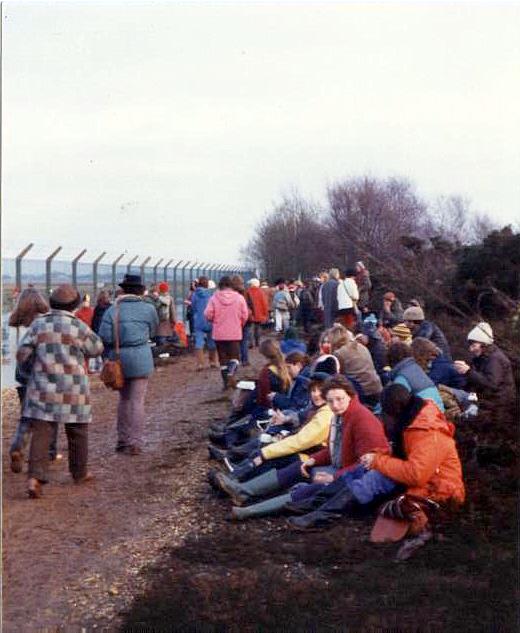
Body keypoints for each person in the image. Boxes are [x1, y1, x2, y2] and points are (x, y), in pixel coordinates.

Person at [214, 376, 389, 522]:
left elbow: (368, 463)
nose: (335, 404)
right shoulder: (340, 416)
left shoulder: (362, 420)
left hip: (356, 479)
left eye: (339, 399)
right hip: (341, 469)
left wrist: (334, 476)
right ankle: (243, 492)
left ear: (350, 396)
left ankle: (249, 511)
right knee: (300, 466)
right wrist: (315, 459)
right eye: (331, 401)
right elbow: (334, 448)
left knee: (312, 488)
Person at [16, 284, 104, 498]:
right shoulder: (78, 326)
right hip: (74, 389)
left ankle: (35, 478)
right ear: (74, 305)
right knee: (78, 432)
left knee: (42, 433)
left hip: (42, 388)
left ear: (51, 302)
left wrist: (31, 372)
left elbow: (22, 354)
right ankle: (79, 472)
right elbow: (97, 348)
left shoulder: (39, 325)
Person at [361, 384, 465, 557]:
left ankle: (326, 510)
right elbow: (403, 457)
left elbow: (415, 474)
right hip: (426, 485)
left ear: (396, 410)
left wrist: (378, 461)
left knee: (376, 485)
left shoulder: (428, 431)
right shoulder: (412, 423)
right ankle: (327, 506)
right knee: (372, 480)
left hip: (442, 492)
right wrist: (378, 456)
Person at [99, 274, 159, 455]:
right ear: (141, 290)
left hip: (119, 358)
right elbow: (154, 331)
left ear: (123, 290)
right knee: (137, 401)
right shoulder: (149, 309)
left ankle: (123, 439)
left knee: (124, 400)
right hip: (142, 356)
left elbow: (105, 336)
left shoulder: (112, 310)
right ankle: (135, 442)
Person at [8, 288, 56, 473]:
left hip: (21, 376)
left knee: (26, 415)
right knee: (49, 415)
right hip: (41, 374)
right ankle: (49, 451)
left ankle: (18, 445)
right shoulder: (43, 323)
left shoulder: (14, 324)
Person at [453, 322, 515, 411]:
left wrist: (468, 371)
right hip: (488, 399)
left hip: (499, 403)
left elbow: (491, 384)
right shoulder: (481, 357)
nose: (471, 349)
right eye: (470, 345)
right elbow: (476, 381)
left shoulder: (495, 359)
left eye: (474, 345)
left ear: (484, 344)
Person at [204, 275, 248, 389]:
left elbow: (208, 314)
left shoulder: (214, 298)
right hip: (234, 332)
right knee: (235, 357)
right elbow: (245, 314)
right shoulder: (239, 298)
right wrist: (240, 324)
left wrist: (214, 320)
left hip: (219, 333)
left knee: (222, 358)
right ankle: (231, 373)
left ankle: (225, 382)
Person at [328, 323, 383, 407]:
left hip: (363, 393)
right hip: (377, 388)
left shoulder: (338, 354)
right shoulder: (361, 346)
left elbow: (338, 375)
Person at [387, 342, 444, 411]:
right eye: (428, 360)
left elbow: (393, 403)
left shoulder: (402, 377)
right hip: (438, 415)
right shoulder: (417, 370)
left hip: (424, 417)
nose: (430, 366)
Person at [190, 276, 218, 371]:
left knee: (199, 342)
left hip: (199, 320)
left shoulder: (194, 294)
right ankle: (212, 361)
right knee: (212, 341)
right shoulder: (212, 294)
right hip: (210, 320)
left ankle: (200, 364)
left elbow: (193, 307)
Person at [246, 278, 269, 347]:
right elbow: (264, 304)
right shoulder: (261, 292)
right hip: (259, 314)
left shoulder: (247, 292)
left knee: (250, 328)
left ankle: (250, 342)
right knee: (258, 328)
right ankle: (257, 342)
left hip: (250, 314)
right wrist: (265, 314)